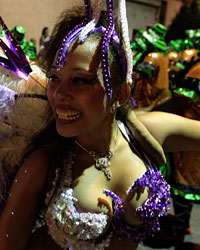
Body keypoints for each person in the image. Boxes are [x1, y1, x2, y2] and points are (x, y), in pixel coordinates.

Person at [0, 1, 200, 250]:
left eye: (80, 81)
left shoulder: (145, 134)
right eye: (54, 78)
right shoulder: (45, 163)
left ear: (121, 93)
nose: (59, 94)